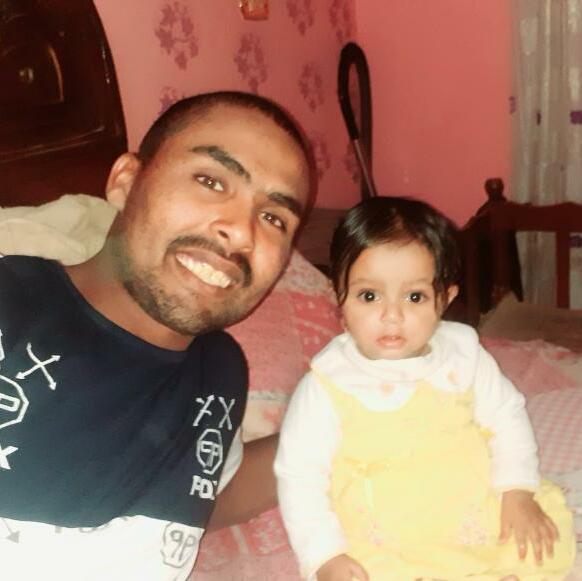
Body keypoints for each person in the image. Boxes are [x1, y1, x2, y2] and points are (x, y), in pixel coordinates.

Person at [0, 91, 312, 580]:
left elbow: (203, 496)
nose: (242, 233)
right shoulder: (11, 302)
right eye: (211, 181)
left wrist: (340, 421)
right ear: (126, 181)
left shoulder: (221, 369)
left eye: (274, 218)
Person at [275, 196, 575, 581]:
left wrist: (517, 490)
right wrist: (324, 556)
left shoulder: (464, 357)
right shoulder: (326, 386)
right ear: (340, 297)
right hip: (387, 539)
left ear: (444, 299)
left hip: (469, 513)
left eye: (414, 297)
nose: (392, 315)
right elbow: (300, 478)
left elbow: (506, 418)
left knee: (538, 539)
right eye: (369, 296)